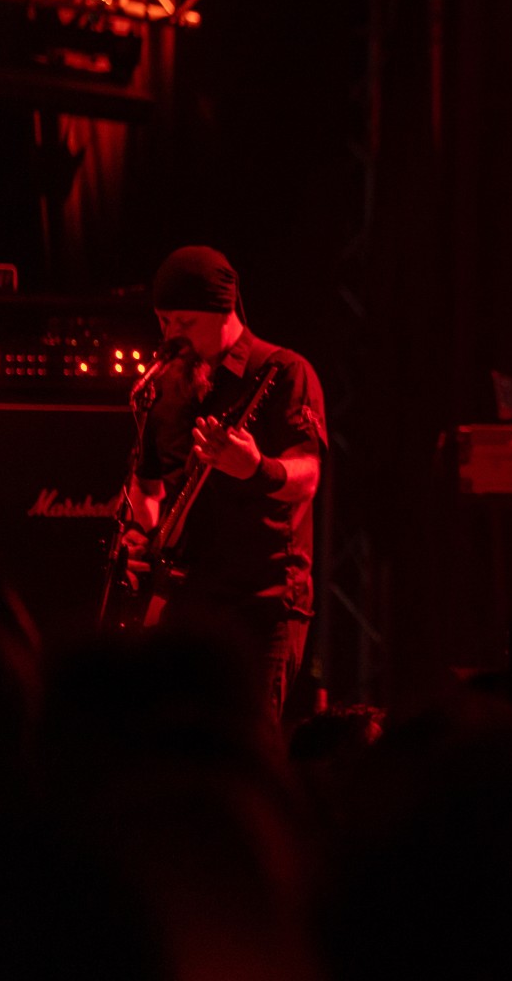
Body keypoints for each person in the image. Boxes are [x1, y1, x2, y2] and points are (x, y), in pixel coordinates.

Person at [118, 246, 326, 730]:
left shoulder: (282, 371)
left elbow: (308, 476)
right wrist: (141, 536)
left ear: (225, 311)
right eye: (164, 321)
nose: (172, 334)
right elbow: (147, 487)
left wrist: (257, 468)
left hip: (263, 601)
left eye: (185, 322)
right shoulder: (167, 387)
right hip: (185, 600)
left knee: (246, 741)